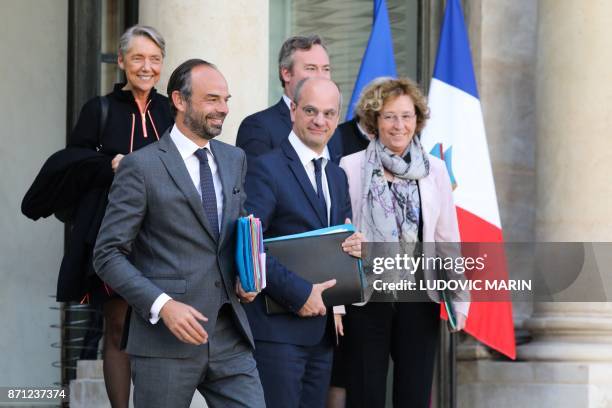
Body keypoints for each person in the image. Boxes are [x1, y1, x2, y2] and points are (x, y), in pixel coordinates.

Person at [93, 59, 265, 408]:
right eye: (212, 99)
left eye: (226, 99)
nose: (223, 109)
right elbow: (107, 254)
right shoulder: (140, 167)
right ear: (179, 100)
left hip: (229, 334)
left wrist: (248, 276)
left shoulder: (236, 159)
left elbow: (238, 230)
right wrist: (163, 305)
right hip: (164, 341)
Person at [21, 24, 173, 408]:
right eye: (137, 57)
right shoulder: (100, 109)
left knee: (159, 328)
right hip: (115, 233)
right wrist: (111, 165)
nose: (146, 66)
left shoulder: (171, 109)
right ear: (121, 61)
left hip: (164, 233)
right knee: (119, 324)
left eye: (154, 59)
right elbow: (73, 164)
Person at [338, 77, 470, 408]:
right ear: (373, 121)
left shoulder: (435, 170)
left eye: (407, 116)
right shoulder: (350, 167)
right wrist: (337, 304)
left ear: (418, 120)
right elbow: (339, 236)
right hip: (366, 299)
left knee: (414, 394)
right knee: (365, 393)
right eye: (389, 116)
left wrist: (460, 300)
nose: (399, 125)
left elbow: (446, 239)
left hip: (419, 297)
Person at [243, 77, 363, 408]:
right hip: (277, 331)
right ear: (293, 110)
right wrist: (299, 295)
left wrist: (354, 248)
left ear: (337, 118)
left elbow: (338, 238)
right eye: (310, 110)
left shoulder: (337, 176)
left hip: (323, 331)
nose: (319, 121)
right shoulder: (264, 168)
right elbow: (251, 246)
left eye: (328, 113)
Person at [236, 34, 343, 164]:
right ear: (286, 73)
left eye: (326, 69)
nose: (321, 76)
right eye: (311, 68)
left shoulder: (332, 130)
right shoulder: (258, 128)